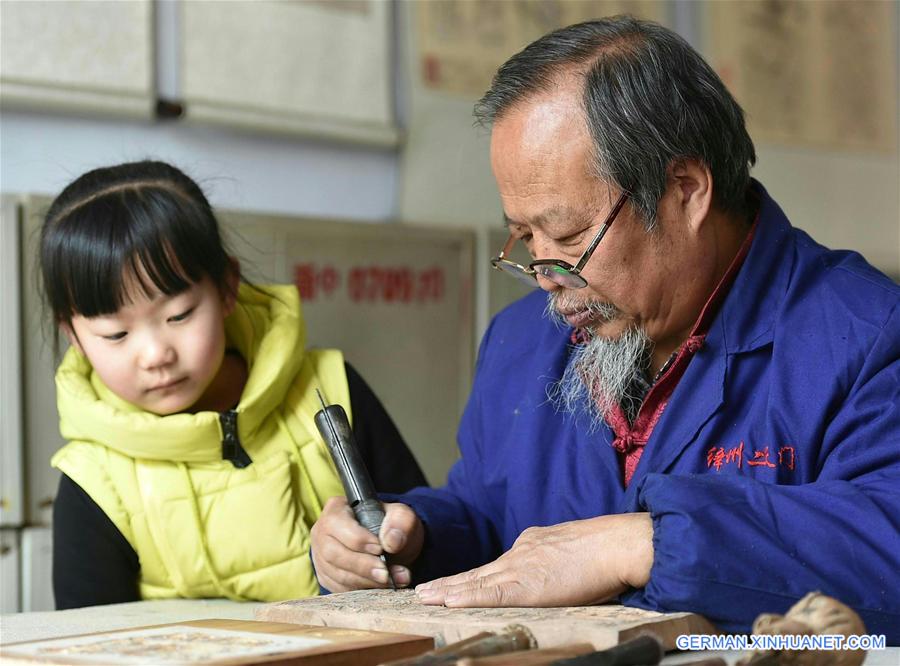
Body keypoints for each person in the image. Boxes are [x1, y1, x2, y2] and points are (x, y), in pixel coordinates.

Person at [310, 16, 900, 641]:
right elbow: (490, 517)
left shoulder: (864, 335)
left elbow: (885, 545)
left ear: (686, 190)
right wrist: (409, 539)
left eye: (566, 236)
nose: (543, 274)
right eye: (524, 234)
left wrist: (642, 544)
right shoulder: (520, 343)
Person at [42, 160, 427, 609]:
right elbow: (85, 647)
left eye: (179, 315)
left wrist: (402, 544)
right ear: (75, 337)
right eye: (116, 334)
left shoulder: (331, 390)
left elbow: (434, 532)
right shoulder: (94, 479)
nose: (155, 355)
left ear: (227, 288)